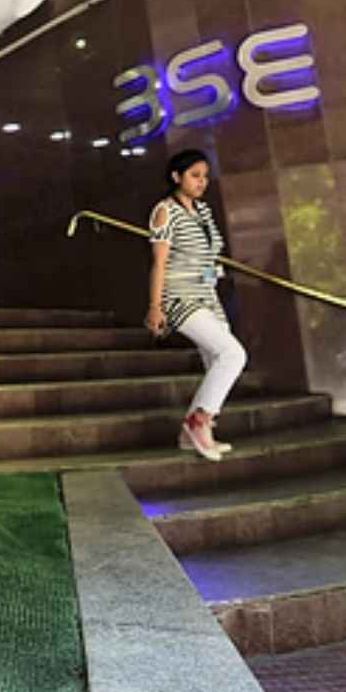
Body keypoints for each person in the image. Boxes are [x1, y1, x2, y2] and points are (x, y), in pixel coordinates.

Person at [145, 148, 248, 461]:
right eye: (194, 175)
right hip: (180, 297)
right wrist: (155, 306)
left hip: (207, 295)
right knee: (233, 354)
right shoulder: (165, 211)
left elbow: (209, 257)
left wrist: (216, 276)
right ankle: (199, 421)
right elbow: (159, 263)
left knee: (215, 359)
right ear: (177, 177)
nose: (202, 182)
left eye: (205, 176)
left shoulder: (203, 211)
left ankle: (191, 435)